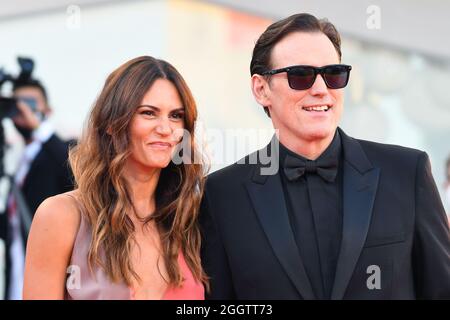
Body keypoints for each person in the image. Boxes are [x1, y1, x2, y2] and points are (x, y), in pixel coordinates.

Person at [200, 13, 450, 299]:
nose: (321, 90)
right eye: (300, 76)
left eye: (333, 75)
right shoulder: (222, 195)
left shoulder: (407, 173)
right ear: (261, 89)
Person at [23, 56, 207, 299]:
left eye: (176, 116)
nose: (166, 129)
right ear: (111, 123)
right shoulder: (62, 216)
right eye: (149, 113)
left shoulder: (189, 221)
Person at [0, 78, 74, 300]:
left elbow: (73, 171)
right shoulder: (18, 158)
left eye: (31, 102)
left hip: (50, 276)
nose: (24, 109)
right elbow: (12, 224)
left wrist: (40, 128)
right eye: (18, 103)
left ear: (48, 110)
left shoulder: (61, 148)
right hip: (17, 276)